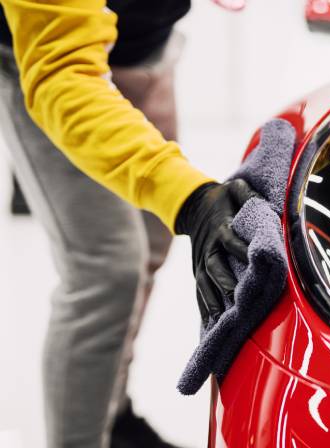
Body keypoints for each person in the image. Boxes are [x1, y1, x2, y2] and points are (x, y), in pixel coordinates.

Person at [0, 1, 257, 447]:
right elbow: (63, 76)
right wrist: (189, 198)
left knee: (151, 237)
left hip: (143, 50)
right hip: (56, 72)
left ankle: (111, 415)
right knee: (107, 271)